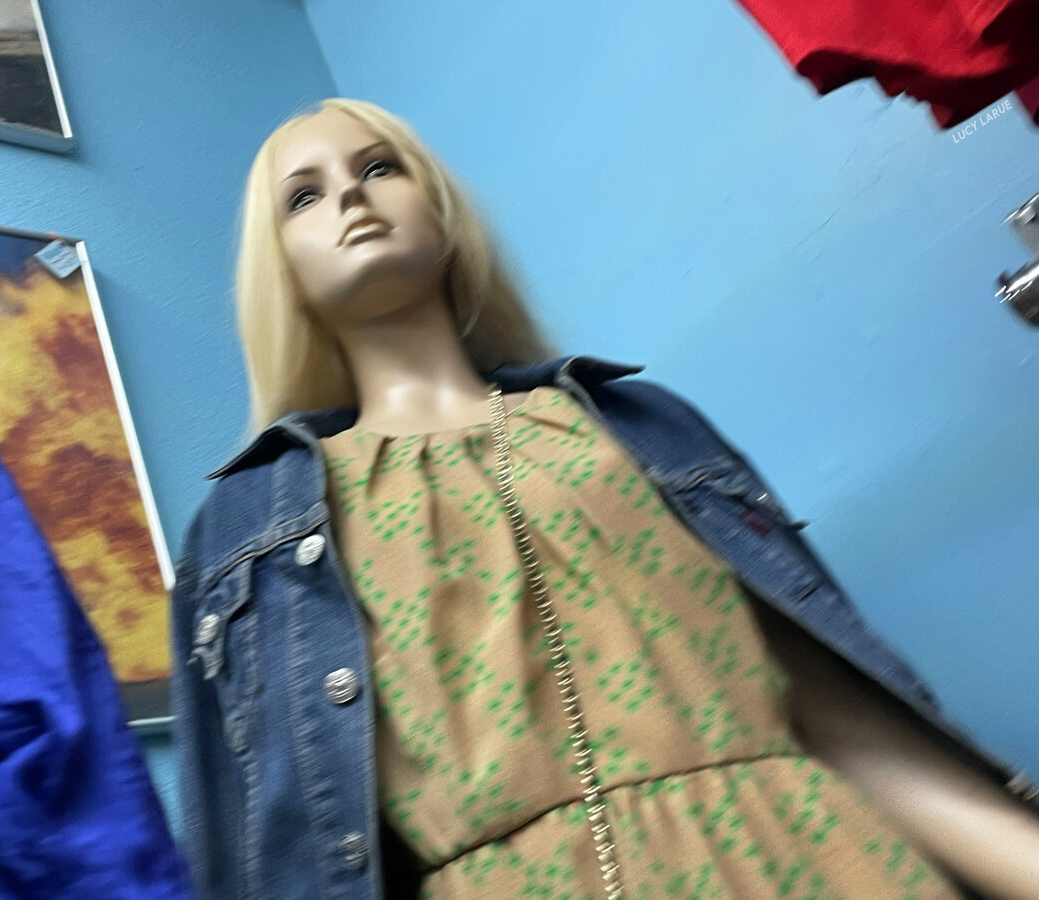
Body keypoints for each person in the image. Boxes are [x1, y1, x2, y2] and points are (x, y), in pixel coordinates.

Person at [171, 97, 1039, 900]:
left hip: (804, 860)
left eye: (378, 167)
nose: (351, 198)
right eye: (304, 196)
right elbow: (252, 850)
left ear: (438, 208)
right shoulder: (251, 533)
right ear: (278, 266)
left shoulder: (633, 427)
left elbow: (838, 721)